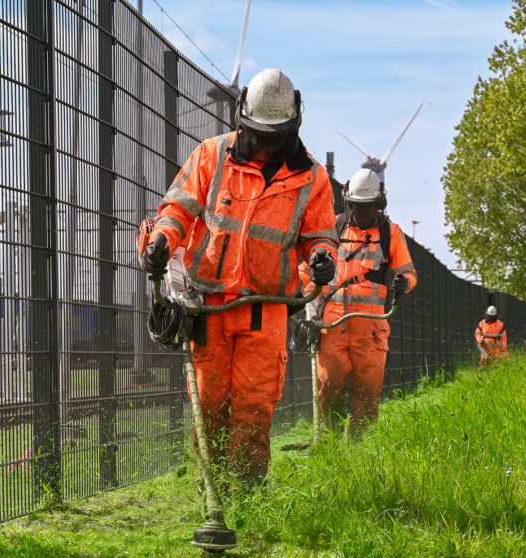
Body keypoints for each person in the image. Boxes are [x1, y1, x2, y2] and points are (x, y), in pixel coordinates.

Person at [139, 68, 339, 486]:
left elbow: (320, 237)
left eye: (274, 135)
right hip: (208, 305)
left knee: (253, 406)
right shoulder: (212, 156)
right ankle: (212, 491)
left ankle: (246, 494)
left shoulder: (312, 178)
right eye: (258, 134)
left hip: (266, 311)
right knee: (208, 406)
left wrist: (323, 257)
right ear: (241, 118)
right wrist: (161, 241)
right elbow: (177, 210)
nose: (265, 144)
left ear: (293, 124)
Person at [298, 167, 416, 434]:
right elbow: (306, 271)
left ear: (379, 205)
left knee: (367, 396)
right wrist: (309, 308)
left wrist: (404, 282)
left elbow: (408, 272)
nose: (362, 212)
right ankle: (330, 448)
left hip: (371, 331)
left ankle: (360, 454)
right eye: (356, 206)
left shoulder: (391, 233)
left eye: (369, 207)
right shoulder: (332, 228)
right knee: (329, 392)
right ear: (348, 202)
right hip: (332, 328)